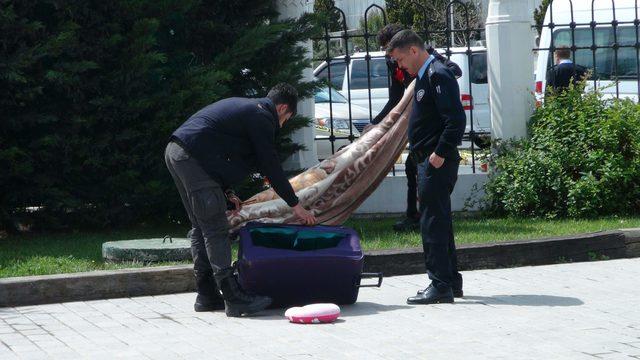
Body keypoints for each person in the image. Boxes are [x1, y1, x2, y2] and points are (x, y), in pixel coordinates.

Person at [165, 83, 317, 317]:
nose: (283, 124)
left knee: (201, 225)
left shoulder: (250, 110)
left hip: (179, 153)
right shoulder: (262, 116)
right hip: (191, 157)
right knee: (215, 227)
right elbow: (270, 164)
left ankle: (206, 295)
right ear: (282, 108)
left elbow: (216, 149)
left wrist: (226, 192)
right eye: (286, 118)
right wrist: (295, 205)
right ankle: (233, 296)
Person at [386, 30, 466, 304]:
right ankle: (451, 280)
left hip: (434, 161)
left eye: (399, 59)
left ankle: (439, 284)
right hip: (428, 159)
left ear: (413, 51)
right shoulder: (426, 75)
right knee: (440, 220)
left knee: (431, 222)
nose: (399, 66)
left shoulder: (436, 74)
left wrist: (439, 153)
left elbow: (455, 119)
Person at [370, 24, 462, 233]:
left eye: (393, 52)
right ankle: (414, 215)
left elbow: (455, 69)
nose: (393, 59)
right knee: (412, 168)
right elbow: (395, 98)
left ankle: (422, 215)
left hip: (431, 125)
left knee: (424, 174)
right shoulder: (394, 63)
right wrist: (377, 124)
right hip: (415, 122)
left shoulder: (428, 61)